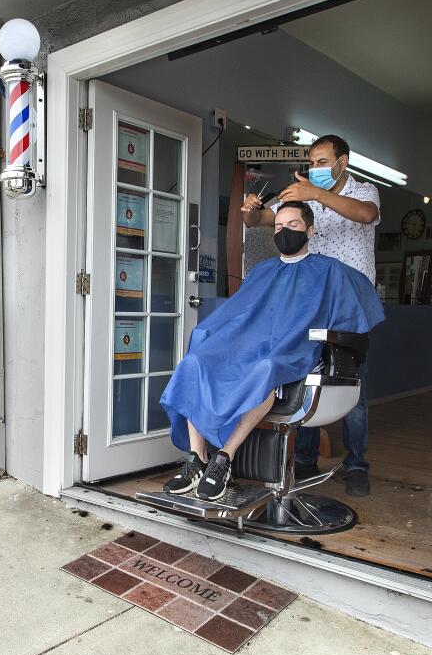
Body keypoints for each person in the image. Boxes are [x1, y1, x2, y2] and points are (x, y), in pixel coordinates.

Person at [160, 202, 384, 502]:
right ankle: (198, 458)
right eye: (279, 227)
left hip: (293, 350)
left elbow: (351, 317)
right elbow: (242, 314)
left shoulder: (329, 270)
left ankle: (224, 458)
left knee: (266, 368)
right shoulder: (263, 271)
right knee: (195, 361)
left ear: (310, 230)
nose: (284, 232)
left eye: (292, 225)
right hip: (250, 347)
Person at [242, 134, 380, 497]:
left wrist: (315, 195)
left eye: (322, 161)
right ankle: (303, 460)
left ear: (342, 162)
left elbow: (366, 216)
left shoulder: (364, 192)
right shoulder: (302, 196)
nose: (316, 169)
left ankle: (356, 465)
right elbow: (264, 219)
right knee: (302, 374)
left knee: (351, 384)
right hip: (309, 302)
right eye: (313, 162)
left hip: (350, 307)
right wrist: (253, 212)